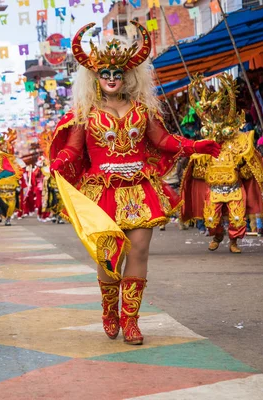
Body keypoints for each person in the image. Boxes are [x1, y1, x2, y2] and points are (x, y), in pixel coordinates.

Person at [50, 21, 221, 345]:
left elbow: (163, 141)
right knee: (109, 256)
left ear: (128, 74)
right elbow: (73, 149)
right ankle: (109, 309)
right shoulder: (85, 111)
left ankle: (131, 321)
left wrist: (196, 145)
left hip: (140, 188)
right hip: (101, 191)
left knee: (139, 250)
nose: (112, 79)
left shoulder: (143, 109)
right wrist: (59, 163)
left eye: (118, 73)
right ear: (94, 76)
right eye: (105, 73)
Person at [181, 74, 263, 253]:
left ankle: (234, 242)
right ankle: (217, 236)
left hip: (234, 187)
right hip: (214, 188)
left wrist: (242, 166)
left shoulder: (239, 142)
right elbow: (199, 169)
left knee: (238, 218)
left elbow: (249, 168)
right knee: (210, 218)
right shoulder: (207, 144)